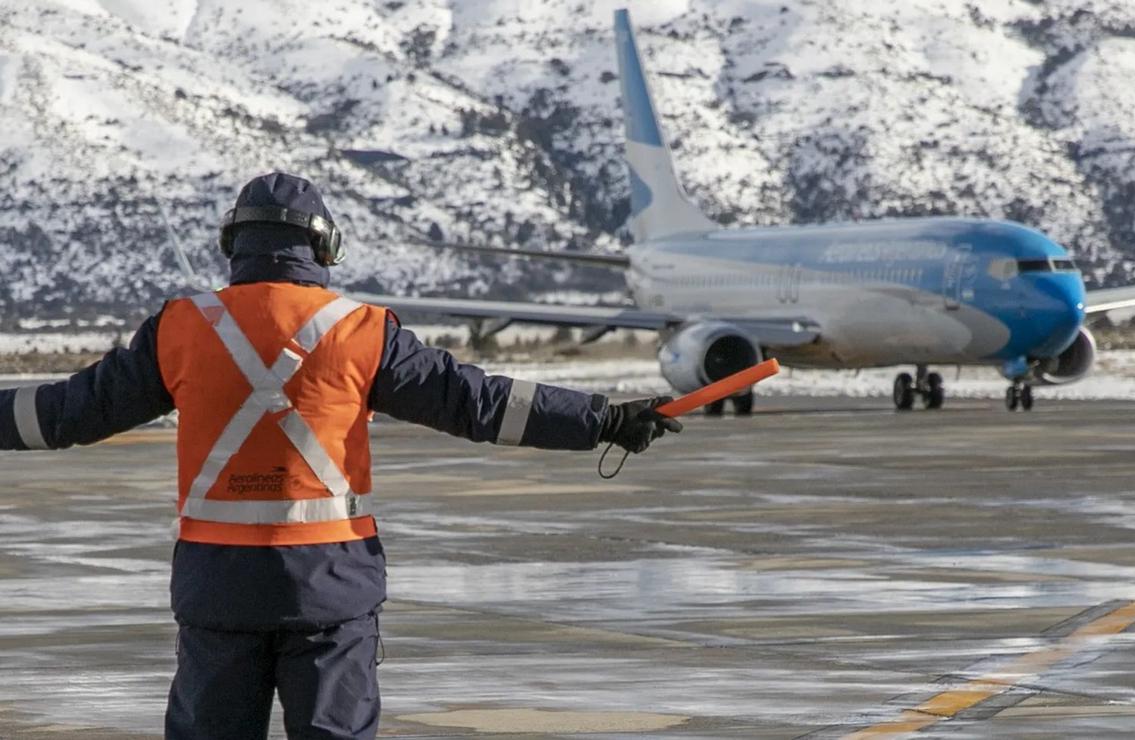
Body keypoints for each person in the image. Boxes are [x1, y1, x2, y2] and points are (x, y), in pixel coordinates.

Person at [0, 172, 681, 740]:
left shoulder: (180, 328)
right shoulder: (361, 330)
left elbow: (65, 413)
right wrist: (600, 419)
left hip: (217, 589)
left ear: (233, 244)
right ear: (324, 245)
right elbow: (477, 403)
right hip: (330, 589)